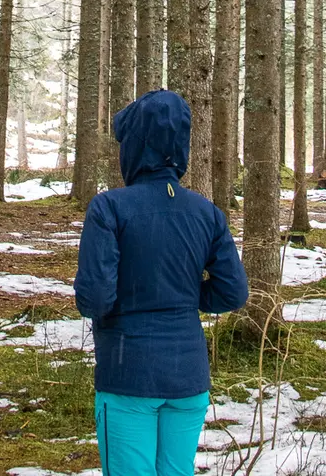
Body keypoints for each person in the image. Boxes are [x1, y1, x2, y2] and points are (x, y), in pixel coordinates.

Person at [74, 89, 248, 476]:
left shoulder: (110, 207)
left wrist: (133, 298)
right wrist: (183, 296)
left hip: (128, 374)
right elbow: (232, 292)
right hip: (188, 377)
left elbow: (95, 297)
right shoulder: (208, 213)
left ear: (134, 145)